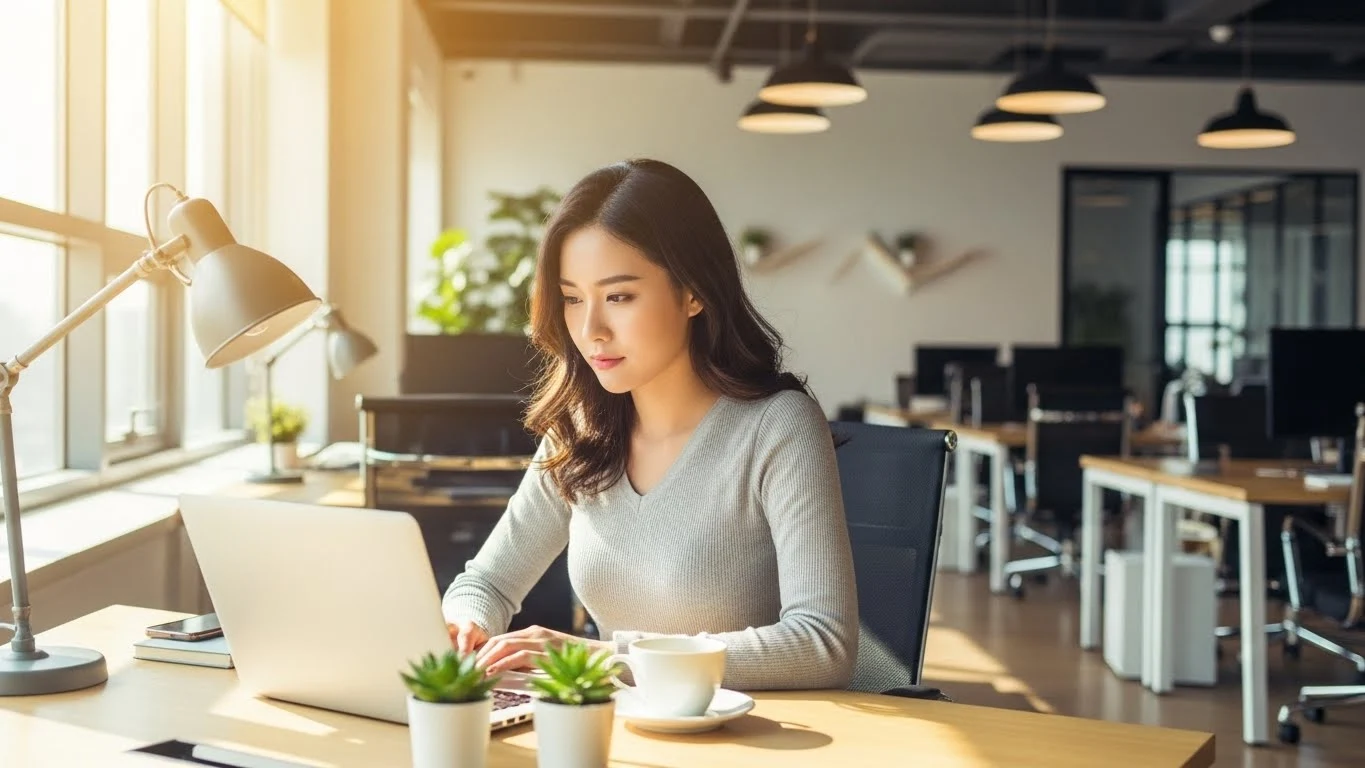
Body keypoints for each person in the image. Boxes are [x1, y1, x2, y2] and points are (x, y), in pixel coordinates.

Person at [441, 158, 857, 691]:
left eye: (619, 296)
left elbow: (824, 643)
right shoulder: (581, 428)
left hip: (747, 742)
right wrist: (466, 625)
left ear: (693, 292)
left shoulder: (778, 427)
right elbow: (489, 583)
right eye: (572, 299)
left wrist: (604, 657)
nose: (590, 329)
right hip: (615, 732)